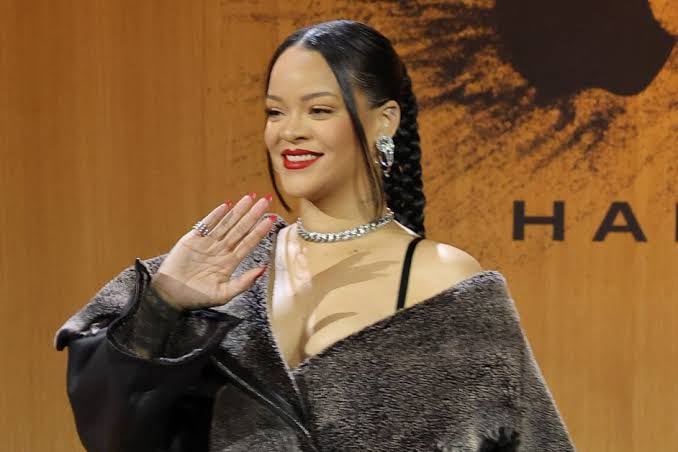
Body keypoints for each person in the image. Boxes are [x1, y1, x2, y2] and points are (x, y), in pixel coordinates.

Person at [55, 19, 575, 452]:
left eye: (319, 109)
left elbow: (531, 438)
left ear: (384, 121)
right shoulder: (221, 274)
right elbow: (109, 434)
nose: (290, 130)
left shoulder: (444, 280)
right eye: (275, 111)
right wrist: (163, 304)